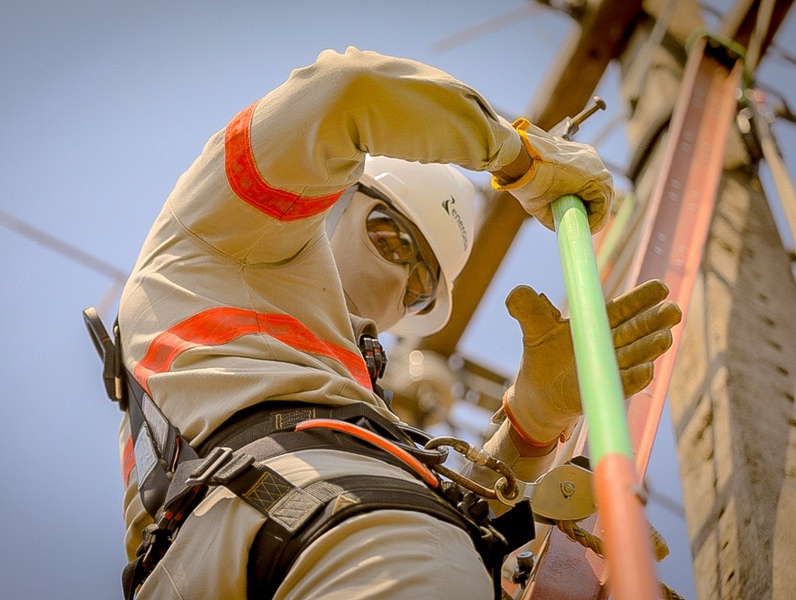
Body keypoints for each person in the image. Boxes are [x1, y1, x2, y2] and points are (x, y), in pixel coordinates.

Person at [112, 47, 679, 599]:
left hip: (217, 554)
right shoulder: (222, 235)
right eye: (391, 237)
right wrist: (522, 158)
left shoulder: (347, 395)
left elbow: (457, 522)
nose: (399, 280)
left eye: (420, 287)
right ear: (331, 197)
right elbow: (344, 90)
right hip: (337, 534)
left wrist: (530, 424)